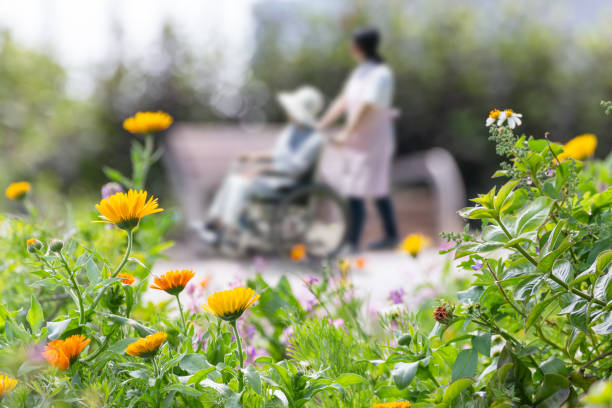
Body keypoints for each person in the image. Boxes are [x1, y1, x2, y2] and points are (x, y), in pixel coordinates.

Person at [200, 86, 324, 245]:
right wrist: (254, 157)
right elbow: (278, 154)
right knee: (233, 179)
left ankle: (228, 229)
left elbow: (295, 168)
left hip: (285, 183)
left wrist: (261, 171)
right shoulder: (291, 131)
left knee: (240, 184)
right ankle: (214, 223)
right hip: (272, 177)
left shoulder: (314, 140)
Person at [318, 27, 399, 252]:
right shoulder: (361, 72)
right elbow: (343, 101)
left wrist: (347, 132)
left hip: (374, 138)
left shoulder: (381, 74)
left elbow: (367, 105)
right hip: (359, 139)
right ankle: (386, 236)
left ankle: (354, 242)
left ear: (359, 46)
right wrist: (322, 124)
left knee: (369, 187)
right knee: (363, 187)